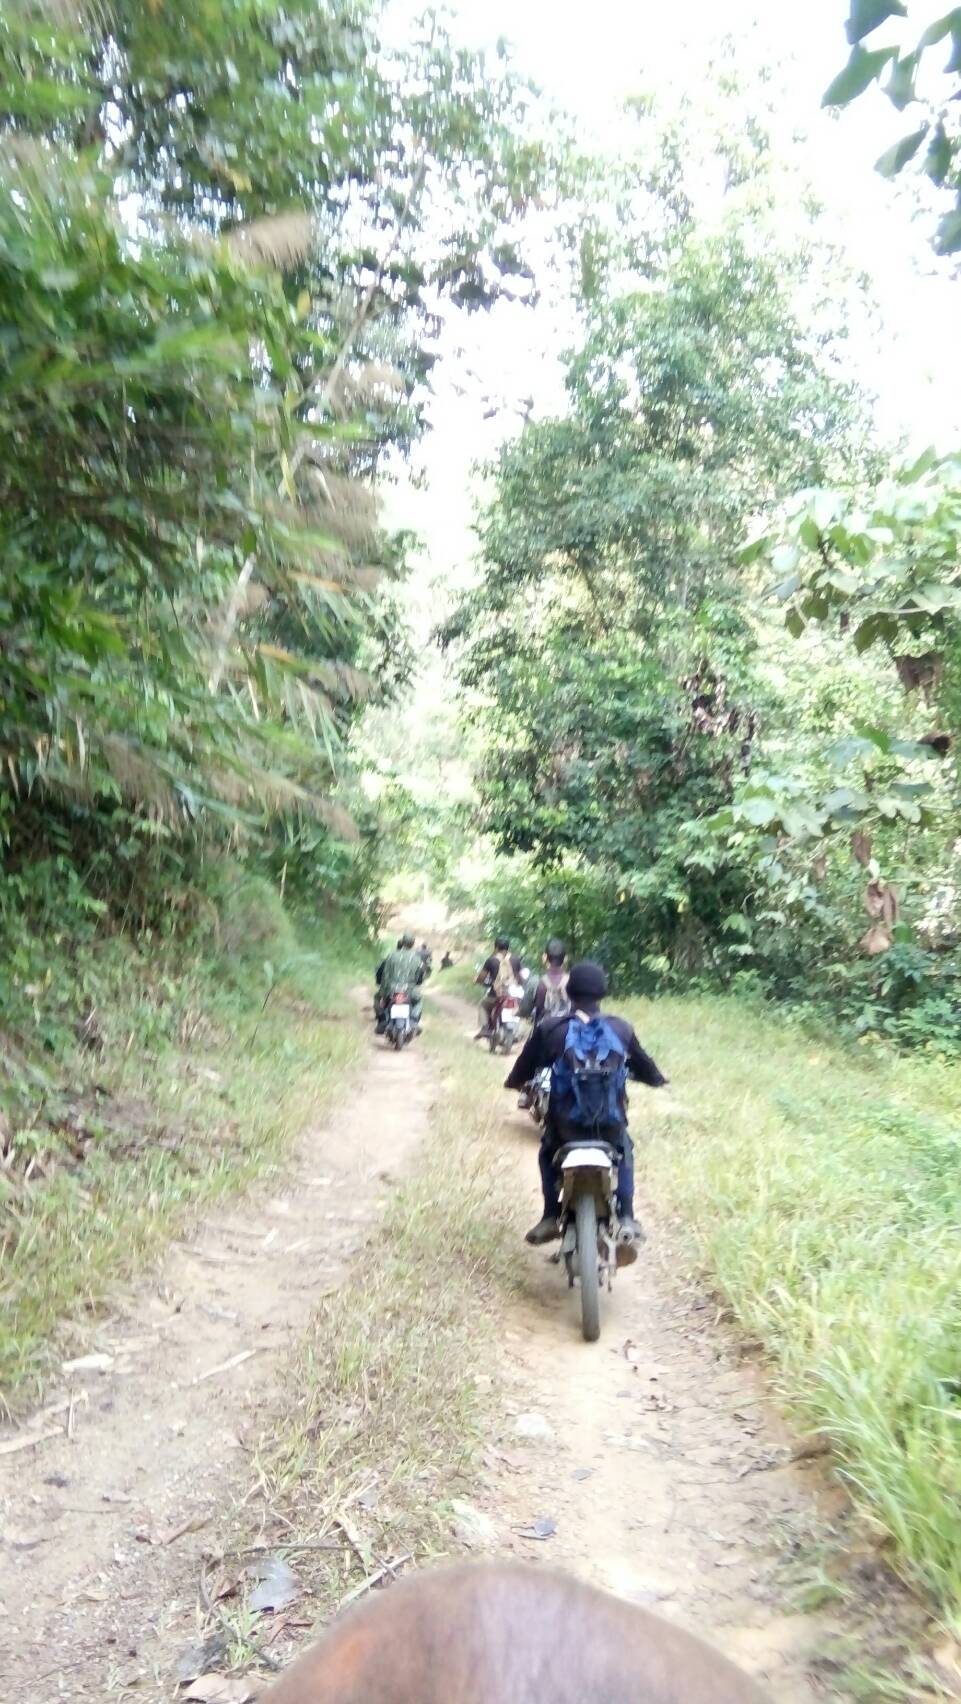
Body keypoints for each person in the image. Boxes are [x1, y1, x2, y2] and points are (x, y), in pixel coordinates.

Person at [504, 960, 667, 1257]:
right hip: (610, 1126)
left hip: (565, 1128)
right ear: (603, 991)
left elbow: (524, 1068)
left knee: (547, 1152)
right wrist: (657, 1080)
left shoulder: (551, 1028)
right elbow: (646, 1067)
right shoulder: (620, 1028)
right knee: (624, 1150)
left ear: (569, 991)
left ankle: (551, 1215)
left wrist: (514, 1082)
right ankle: (627, 1215)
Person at [375, 933, 426, 1032]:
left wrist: (383, 992)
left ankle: (382, 1021)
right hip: (409, 991)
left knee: (378, 999)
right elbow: (419, 977)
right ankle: (414, 1021)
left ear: (402, 942)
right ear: (413, 944)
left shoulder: (392, 956)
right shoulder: (417, 959)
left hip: (391, 989)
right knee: (419, 1001)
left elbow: (385, 975)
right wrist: (416, 983)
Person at [474, 934, 522, 1038]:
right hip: (513, 996)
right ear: (508, 948)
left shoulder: (491, 960)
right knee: (518, 1007)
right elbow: (520, 978)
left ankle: (485, 1028)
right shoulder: (516, 959)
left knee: (483, 1005)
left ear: (496, 948)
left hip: (496, 996)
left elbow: (482, 977)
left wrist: (478, 981)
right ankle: (516, 1032)